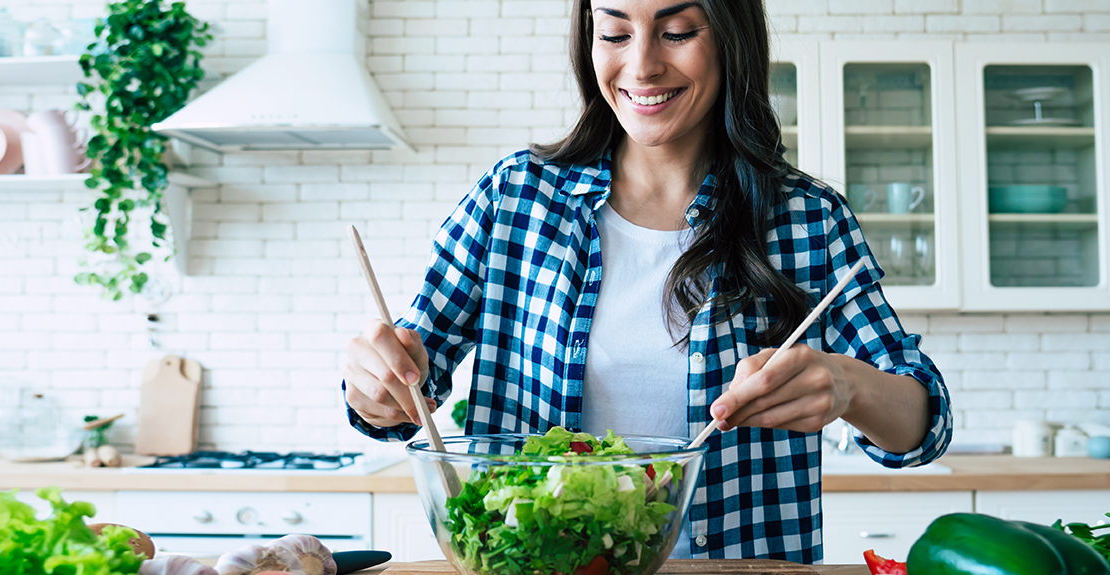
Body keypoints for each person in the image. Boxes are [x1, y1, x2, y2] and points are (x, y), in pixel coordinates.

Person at [342, 0, 951, 563]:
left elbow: (926, 424)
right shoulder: (515, 198)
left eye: (677, 32)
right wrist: (373, 383)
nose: (642, 65)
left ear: (731, 38)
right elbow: (402, 394)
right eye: (614, 33)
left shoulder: (806, 218)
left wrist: (851, 387)